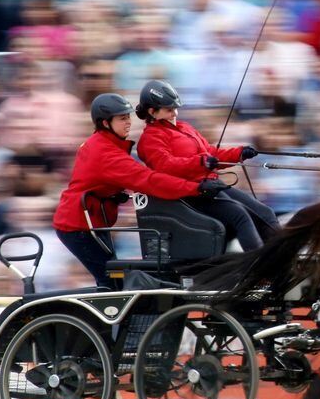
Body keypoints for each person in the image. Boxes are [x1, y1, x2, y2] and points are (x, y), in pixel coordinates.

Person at [53, 93, 228, 289]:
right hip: (79, 226)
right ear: (105, 123)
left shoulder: (101, 143)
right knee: (112, 282)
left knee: (113, 279)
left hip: (91, 221)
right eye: (122, 118)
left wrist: (111, 193)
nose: (128, 122)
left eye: (128, 116)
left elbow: (89, 179)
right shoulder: (106, 153)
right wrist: (196, 188)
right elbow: (149, 180)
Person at [135, 79, 280, 251]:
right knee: (240, 216)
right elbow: (166, 165)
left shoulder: (184, 127)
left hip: (211, 186)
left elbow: (210, 153)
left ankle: (283, 256)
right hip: (191, 193)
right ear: (152, 112)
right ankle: (261, 264)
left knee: (265, 213)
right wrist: (201, 162)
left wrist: (239, 153)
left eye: (175, 108)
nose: (175, 113)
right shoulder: (150, 138)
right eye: (169, 110)